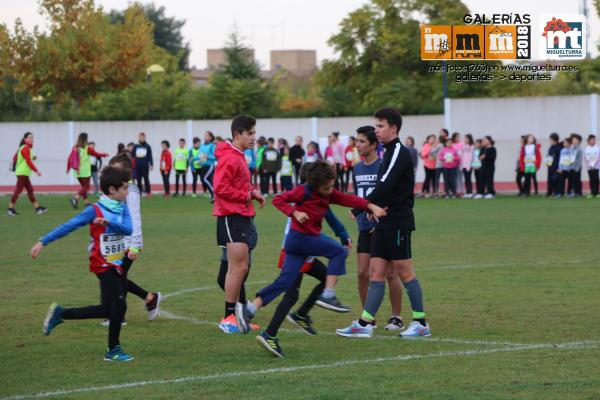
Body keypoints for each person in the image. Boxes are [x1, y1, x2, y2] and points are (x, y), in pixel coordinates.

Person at [239, 160, 386, 335]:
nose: (330, 191)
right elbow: (278, 199)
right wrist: (294, 212)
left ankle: (249, 310)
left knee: (284, 282)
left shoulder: (327, 193)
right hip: (301, 239)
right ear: (315, 185)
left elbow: (348, 199)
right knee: (338, 251)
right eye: (326, 188)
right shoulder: (303, 191)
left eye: (332, 187)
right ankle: (328, 295)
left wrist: (370, 206)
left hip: (299, 245)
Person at [337, 107, 430, 339]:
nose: (376, 130)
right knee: (376, 271)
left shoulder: (399, 151)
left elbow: (386, 185)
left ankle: (420, 322)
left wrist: (361, 206)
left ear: (394, 128)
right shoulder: (388, 151)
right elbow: (385, 188)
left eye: (380, 126)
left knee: (404, 271)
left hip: (398, 221)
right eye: (375, 126)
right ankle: (365, 322)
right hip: (383, 220)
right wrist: (373, 209)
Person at [31, 166, 134, 362]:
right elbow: (69, 225)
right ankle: (113, 350)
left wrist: (108, 224)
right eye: (124, 188)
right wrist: (43, 241)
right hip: (102, 263)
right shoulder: (93, 210)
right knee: (119, 305)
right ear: (112, 190)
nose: (127, 192)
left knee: (108, 309)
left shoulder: (123, 206)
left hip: (117, 261)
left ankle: (61, 314)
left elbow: (129, 229)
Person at [213, 115, 265, 334]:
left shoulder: (239, 155)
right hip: (230, 217)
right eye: (250, 133)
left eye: (254, 132)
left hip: (242, 215)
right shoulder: (230, 158)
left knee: (241, 267)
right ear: (237, 134)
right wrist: (246, 195)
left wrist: (252, 193)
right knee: (238, 268)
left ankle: (238, 316)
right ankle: (228, 318)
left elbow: (239, 184)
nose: (254, 137)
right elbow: (220, 187)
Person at [353, 126, 404, 331]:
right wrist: (356, 210)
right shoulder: (357, 168)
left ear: (374, 144)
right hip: (364, 227)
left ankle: (396, 316)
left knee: (390, 274)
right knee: (362, 272)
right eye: (356, 141)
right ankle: (368, 318)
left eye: (362, 141)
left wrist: (380, 221)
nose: (357, 145)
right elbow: (361, 197)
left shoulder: (383, 166)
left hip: (383, 226)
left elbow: (390, 196)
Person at [104, 154, 161, 326]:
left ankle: (119, 316)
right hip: (117, 242)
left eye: (116, 169)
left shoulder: (132, 191)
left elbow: (135, 219)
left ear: (126, 172)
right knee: (116, 277)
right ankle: (150, 298)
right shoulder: (116, 190)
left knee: (115, 278)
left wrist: (134, 246)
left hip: (129, 243)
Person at [7, 132, 47, 216]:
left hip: (23, 173)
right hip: (22, 173)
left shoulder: (26, 148)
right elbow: (28, 161)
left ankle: (38, 208)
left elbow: (23, 157)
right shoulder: (25, 148)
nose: (31, 139)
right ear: (25, 139)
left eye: (32, 138)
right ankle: (10, 209)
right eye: (29, 137)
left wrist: (33, 157)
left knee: (30, 190)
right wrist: (36, 171)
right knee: (18, 190)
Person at [68, 132, 109, 208]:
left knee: (84, 187)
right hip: (85, 171)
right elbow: (96, 154)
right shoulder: (87, 148)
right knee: (86, 188)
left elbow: (70, 157)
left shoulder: (75, 147)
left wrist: (68, 167)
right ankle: (75, 198)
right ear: (85, 139)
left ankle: (87, 202)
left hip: (77, 171)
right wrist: (104, 155)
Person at [133, 132, 153, 197]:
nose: (141, 138)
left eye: (142, 137)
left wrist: (151, 164)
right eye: (140, 137)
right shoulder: (136, 146)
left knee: (146, 179)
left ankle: (148, 192)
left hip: (145, 165)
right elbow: (132, 155)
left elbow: (150, 156)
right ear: (138, 138)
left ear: (144, 138)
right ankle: (139, 193)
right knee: (138, 179)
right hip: (138, 165)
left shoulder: (147, 146)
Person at [199, 131, 217, 201]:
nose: (205, 137)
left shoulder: (212, 146)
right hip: (203, 165)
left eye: (206, 135)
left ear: (210, 138)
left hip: (210, 165)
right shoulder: (202, 146)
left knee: (204, 178)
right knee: (203, 179)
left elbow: (215, 157)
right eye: (204, 135)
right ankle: (213, 196)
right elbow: (199, 156)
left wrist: (208, 157)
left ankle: (213, 193)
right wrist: (194, 159)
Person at [545, 133, 562, 197]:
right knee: (550, 180)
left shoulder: (559, 148)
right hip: (550, 167)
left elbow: (560, 158)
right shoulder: (550, 148)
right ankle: (549, 192)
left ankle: (557, 192)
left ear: (555, 140)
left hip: (556, 167)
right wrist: (547, 162)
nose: (550, 141)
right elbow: (549, 156)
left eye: (551, 140)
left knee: (556, 180)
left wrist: (559, 167)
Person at [461, 134, 475, 198]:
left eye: (466, 138)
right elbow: (462, 156)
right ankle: (467, 192)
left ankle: (470, 192)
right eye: (464, 138)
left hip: (469, 165)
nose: (465, 140)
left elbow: (471, 157)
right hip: (464, 165)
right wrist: (461, 165)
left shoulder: (472, 146)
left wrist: (469, 165)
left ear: (469, 139)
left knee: (468, 179)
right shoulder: (463, 146)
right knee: (466, 179)